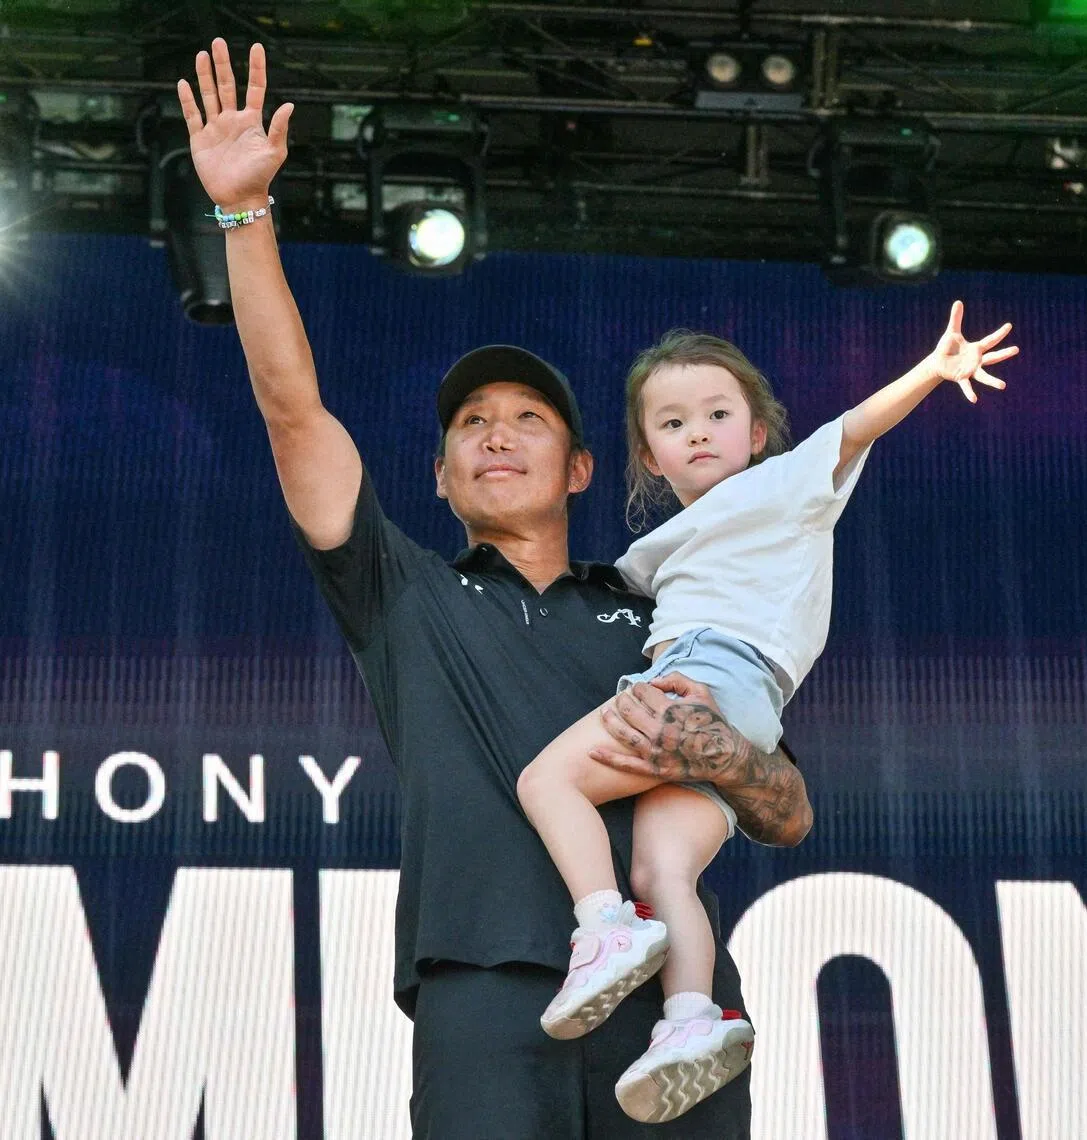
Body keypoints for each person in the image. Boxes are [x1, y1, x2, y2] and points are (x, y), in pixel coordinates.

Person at [177, 38, 814, 1138]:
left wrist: (720, 754)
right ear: (440, 475)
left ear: (579, 469)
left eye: (528, 420)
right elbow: (293, 411)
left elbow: (787, 810)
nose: (495, 436)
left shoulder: (667, 610)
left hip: (675, 1009)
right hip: (482, 984)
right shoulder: (403, 593)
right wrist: (243, 215)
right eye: (470, 425)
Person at [516, 309, 1017, 1124]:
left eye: (719, 415)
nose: (700, 433)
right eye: (674, 423)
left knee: (547, 781)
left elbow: (854, 430)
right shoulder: (661, 549)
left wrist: (932, 371)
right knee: (663, 871)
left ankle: (602, 925)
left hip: (711, 676)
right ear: (650, 454)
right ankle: (690, 1021)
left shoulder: (781, 487)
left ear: (758, 432)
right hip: (747, 711)